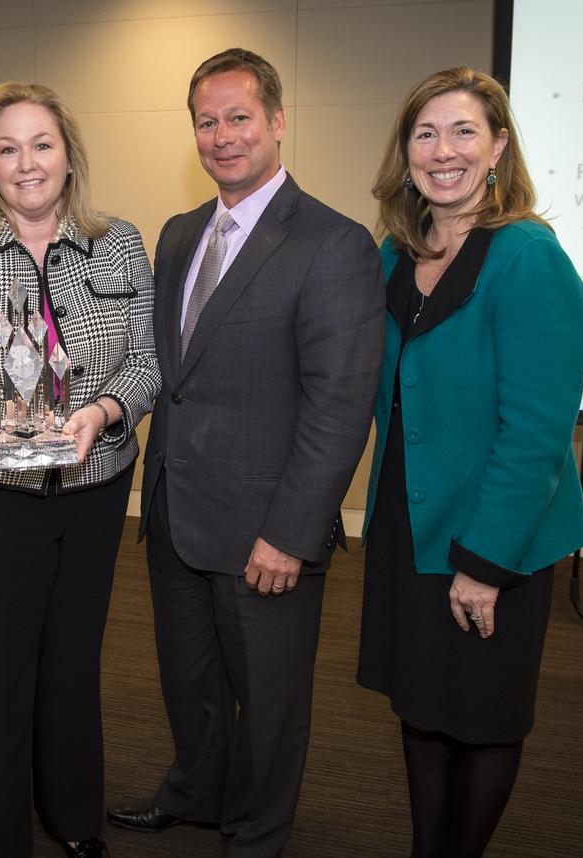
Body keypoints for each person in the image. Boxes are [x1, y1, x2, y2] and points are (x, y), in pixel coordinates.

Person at [108, 48, 385, 856]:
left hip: (267, 526)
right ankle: (196, 791)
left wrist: (294, 531)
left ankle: (258, 835)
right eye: (206, 121)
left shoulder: (333, 244)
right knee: (189, 681)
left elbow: (341, 405)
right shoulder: (180, 232)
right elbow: (170, 370)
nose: (222, 136)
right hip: (175, 510)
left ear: (276, 121)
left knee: (268, 700)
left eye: (239, 118)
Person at [0, 81, 160, 858]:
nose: (26, 164)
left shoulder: (119, 242)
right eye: (7, 149)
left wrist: (104, 412)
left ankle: (75, 820)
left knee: (74, 660)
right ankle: (0, 837)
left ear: (68, 154)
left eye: (41, 144)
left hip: (93, 491)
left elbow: (147, 364)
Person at [357, 66, 583, 858]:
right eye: (425, 133)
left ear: (497, 147)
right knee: (422, 706)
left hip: (492, 530)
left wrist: (485, 564)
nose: (442, 150)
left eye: (463, 132)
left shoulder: (526, 257)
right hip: (408, 519)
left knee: (483, 715)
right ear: (406, 152)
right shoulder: (396, 254)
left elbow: (535, 433)